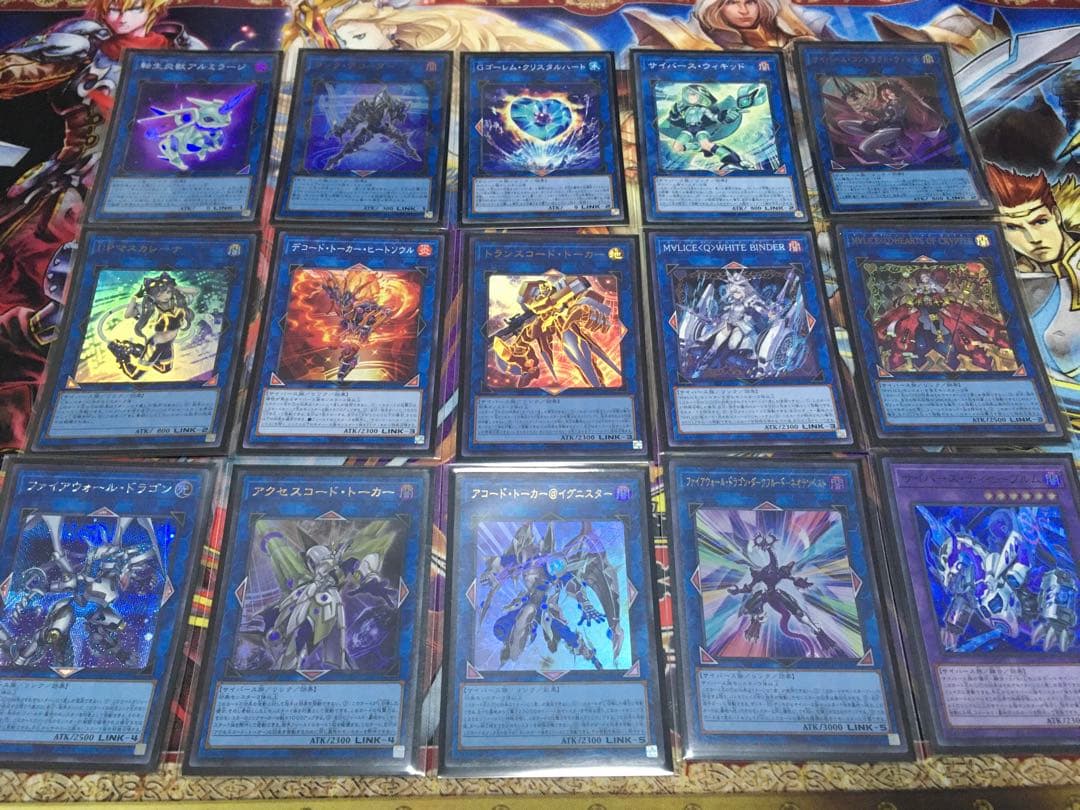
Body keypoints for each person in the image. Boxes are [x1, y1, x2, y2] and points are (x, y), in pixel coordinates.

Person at [985, 163, 1080, 383]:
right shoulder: (1011, 278)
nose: (1033, 238)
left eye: (1039, 221)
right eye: (1012, 228)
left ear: (1055, 215)